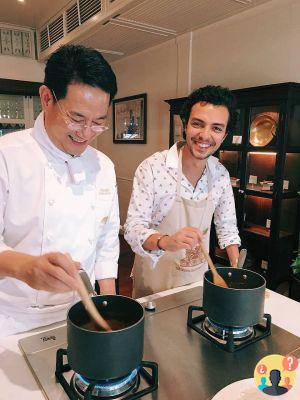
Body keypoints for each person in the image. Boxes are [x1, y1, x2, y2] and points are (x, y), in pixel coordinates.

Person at [0, 45, 119, 336]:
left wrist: (109, 304)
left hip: (83, 311)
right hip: (13, 318)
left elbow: (106, 241)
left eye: (98, 122)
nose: (86, 133)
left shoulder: (103, 166)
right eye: (76, 118)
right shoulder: (7, 156)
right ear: (46, 98)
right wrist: (26, 268)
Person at [124, 85, 241, 298]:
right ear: (185, 125)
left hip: (195, 284)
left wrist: (236, 267)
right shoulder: (153, 168)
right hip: (154, 286)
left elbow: (227, 228)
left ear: (224, 135)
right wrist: (165, 241)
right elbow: (132, 229)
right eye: (198, 124)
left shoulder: (220, 175)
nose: (205, 135)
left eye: (216, 128)